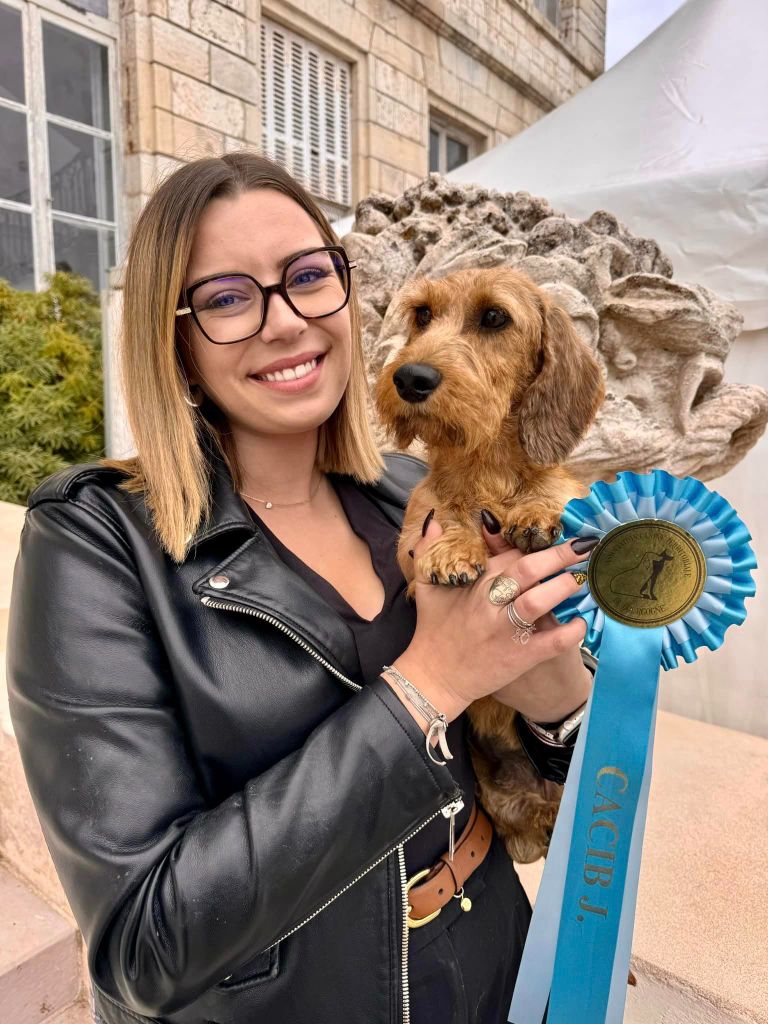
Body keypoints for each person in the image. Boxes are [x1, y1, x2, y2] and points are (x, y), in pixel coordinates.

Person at [7, 151, 598, 1024]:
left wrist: (552, 698)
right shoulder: (95, 542)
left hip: (492, 971)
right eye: (228, 297)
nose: (286, 322)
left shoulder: (417, 492)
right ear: (173, 337)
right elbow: (143, 943)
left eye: (308, 277)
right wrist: (430, 682)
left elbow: (551, 762)